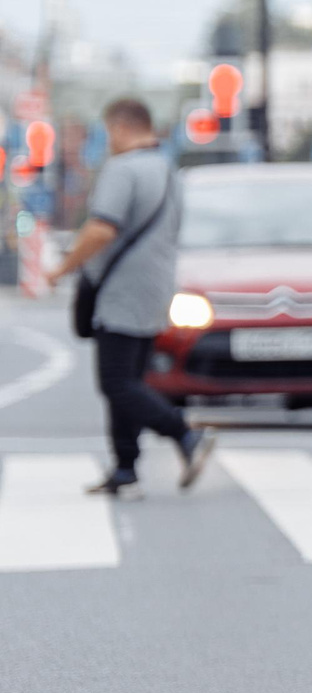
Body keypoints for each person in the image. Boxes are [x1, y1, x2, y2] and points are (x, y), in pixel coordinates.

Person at [44, 99, 215, 497]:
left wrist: (62, 268)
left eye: (108, 133)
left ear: (121, 128)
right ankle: (126, 469)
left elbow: (101, 229)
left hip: (121, 293)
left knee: (116, 383)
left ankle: (185, 434)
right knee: (130, 380)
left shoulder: (122, 170)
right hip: (155, 289)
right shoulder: (168, 171)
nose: (108, 142)